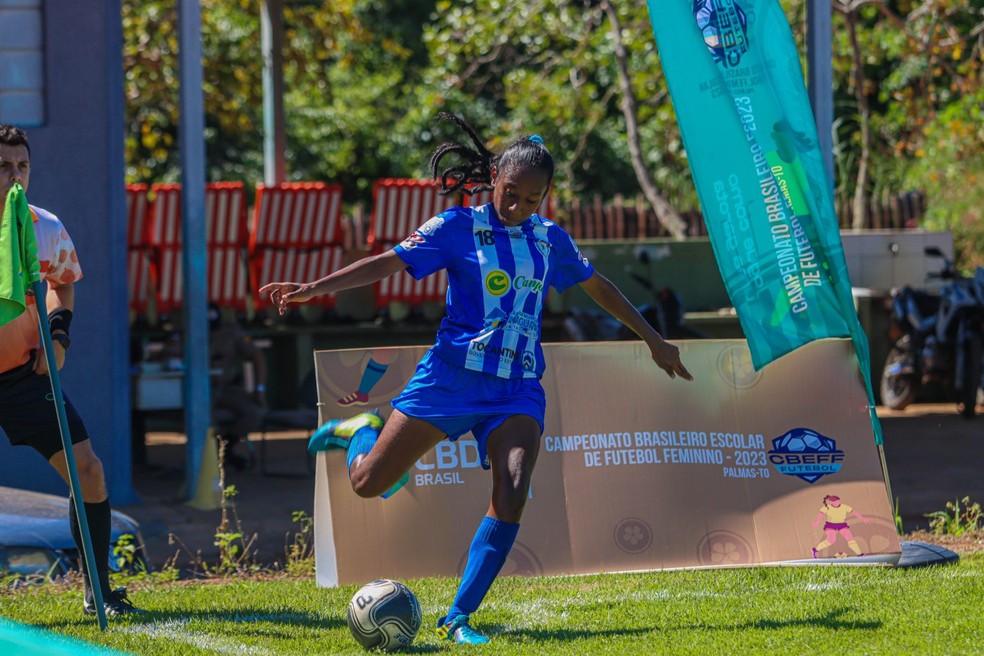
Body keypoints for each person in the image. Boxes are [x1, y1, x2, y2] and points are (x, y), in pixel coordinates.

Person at [259, 112, 692, 644]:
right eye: (511, 194)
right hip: (450, 380)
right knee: (369, 484)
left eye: (533, 199)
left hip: (517, 388)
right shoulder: (455, 227)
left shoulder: (550, 238)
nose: (519, 207)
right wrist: (312, 288)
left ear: (545, 197)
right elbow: (385, 263)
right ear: (494, 180)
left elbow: (598, 287)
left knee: (512, 491)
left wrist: (653, 338)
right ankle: (361, 431)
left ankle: (459, 616)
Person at [0, 124, 143, 616]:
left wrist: (57, 339)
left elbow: (62, 284)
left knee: (89, 472)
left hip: (23, 376)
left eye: (22, 166)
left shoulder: (45, 225)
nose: (15, 177)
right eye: (3, 167)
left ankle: (98, 592)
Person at [208, 305, 266, 470]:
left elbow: (257, 356)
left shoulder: (231, 332)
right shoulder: (186, 332)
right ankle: (207, 458)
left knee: (255, 411)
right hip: (198, 393)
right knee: (203, 419)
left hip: (227, 389)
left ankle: (226, 450)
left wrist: (260, 389)